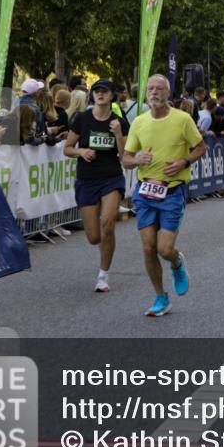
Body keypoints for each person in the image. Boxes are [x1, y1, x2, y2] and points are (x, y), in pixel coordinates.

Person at [121, 75, 206, 317]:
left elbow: (201, 147)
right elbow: (126, 159)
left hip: (172, 191)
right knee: (148, 248)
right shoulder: (139, 122)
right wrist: (137, 159)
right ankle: (161, 297)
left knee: (164, 249)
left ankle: (176, 262)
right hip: (145, 191)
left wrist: (183, 162)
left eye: (160, 88)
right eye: (151, 88)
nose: (154, 92)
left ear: (168, 93)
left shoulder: (182, 119)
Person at [65, 80, 130, 292]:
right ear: (92, 96)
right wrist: (81, 151)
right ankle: (105, 246)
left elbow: (124, 156)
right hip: (87, 179)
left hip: (111, 178)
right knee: (94, 237)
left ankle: (103, 275)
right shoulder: (82, 119)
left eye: (104, 91)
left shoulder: (120, 122)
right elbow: (67, 148)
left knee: (108, 225)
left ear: (111, 96)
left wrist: (118, 134)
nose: (100, 95)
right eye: (96, 91)